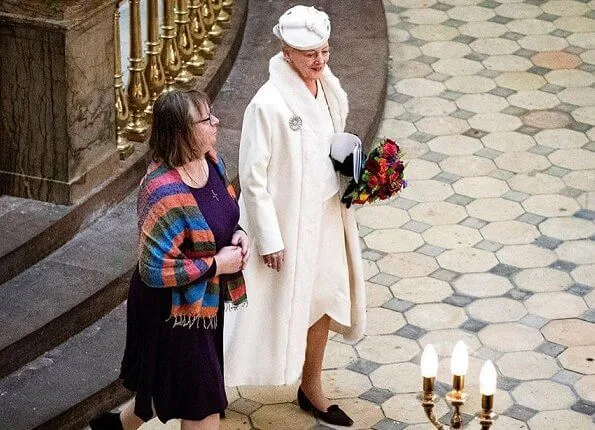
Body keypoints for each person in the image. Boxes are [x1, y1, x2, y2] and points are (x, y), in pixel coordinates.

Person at [223, 5, 365, 427]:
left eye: (324, 51)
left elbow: (332, 145)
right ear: (286, 52)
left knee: (323, 298)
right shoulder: (265, 104)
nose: (320, 61)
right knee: (248, 314)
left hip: (324, 219)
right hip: (283, 226)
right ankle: (213, 389)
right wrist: (269, 238)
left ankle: (312, 386)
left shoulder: (328, 87)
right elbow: (252, 178)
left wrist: (359, 177)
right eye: (309, 54)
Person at [89, 89, 249, 430]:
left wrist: (238, 234)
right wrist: (217, 265)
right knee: (201, 403)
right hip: (171, 312)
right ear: (182, 132)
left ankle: (116, 427)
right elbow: (153, 269)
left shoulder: (212, 161)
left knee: (166, 390)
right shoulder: (160, 190)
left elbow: (224, 211)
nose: (216, 121)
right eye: (207, 119)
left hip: (204, 304)